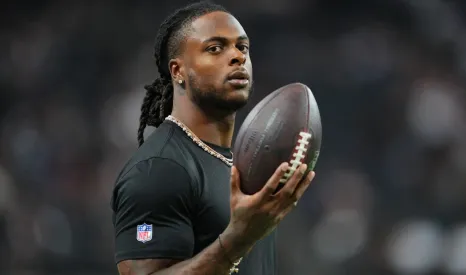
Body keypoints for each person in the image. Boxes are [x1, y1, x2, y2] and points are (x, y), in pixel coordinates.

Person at [110, 2, 315, 275]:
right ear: (178, 71)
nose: (237, 57)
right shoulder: (159, 169)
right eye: (215, 48)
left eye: (242, 47)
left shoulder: (244, 162)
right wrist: (237, 240)